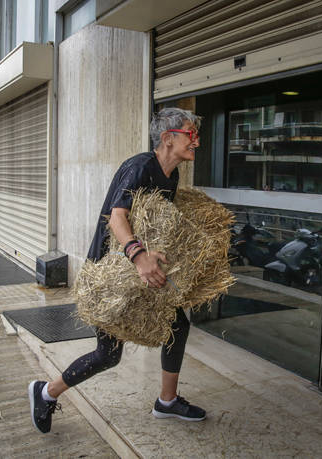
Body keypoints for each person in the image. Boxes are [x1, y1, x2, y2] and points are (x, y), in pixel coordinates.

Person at [28, 108, 206, 434]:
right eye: (190, 133)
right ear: (167, 138)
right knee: (108, 355)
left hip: (139, 272)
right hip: (111, 274)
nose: (196, 139)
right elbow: (117, 217)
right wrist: (140, 258)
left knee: (178, 323)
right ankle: (45, 392)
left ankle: (167, 401)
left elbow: (153, 221)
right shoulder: (140, 167)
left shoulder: (172, 175)